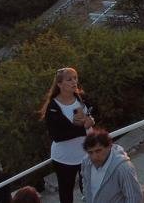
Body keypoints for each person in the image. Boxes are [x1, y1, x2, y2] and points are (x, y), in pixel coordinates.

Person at [39, 67, 95, 203]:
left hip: (86, 154)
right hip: (65, 158)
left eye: (75, 78)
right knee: (66, 193)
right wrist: (83, 128)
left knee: (90, 189)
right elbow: (57, 136)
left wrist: (92, 120)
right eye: (69, 79)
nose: (74, 82)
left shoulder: (81, 97)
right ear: (59, 84)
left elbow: (93, 111)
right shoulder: (53, 107)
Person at [79, 128, 142, 203]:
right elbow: (86, 185)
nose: (94, 157)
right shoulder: (86, 162)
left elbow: (134, 198)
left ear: (109, 147)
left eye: (98, 151)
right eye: (90, 152)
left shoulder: (123, 168)